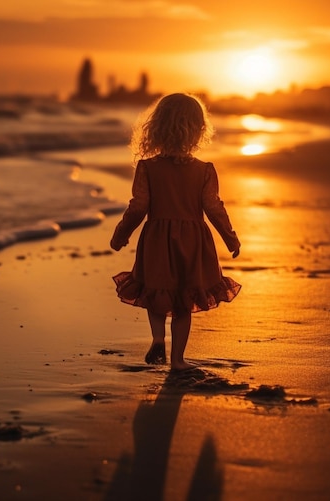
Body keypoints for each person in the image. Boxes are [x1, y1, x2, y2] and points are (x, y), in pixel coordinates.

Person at [110, 93, 241, 371]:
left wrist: (121, 235)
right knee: (184, 300)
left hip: (157, 240)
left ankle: (158, 338)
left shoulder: (147, 168)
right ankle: (178, 360)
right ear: (197, 129)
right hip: (193, 242)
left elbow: (138, 207)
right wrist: (230, 237)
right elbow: (213, 207)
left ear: (156, 127)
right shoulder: (204, 170)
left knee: (155, 292)